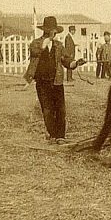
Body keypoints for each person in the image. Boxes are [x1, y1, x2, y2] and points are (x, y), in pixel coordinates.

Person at [23, 16, 86, 145]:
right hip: (42, 82)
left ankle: (60, 136)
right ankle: (52, 134)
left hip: (57, 81)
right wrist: (48, 39)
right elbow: (35, 52)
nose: (54, 33)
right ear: (45, 31)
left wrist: (75, 63)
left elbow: (66, 60)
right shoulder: (36, 43)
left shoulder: (59, 45)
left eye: (54, 31)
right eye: (51, 30)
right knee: (47, 109)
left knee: (61, 109)